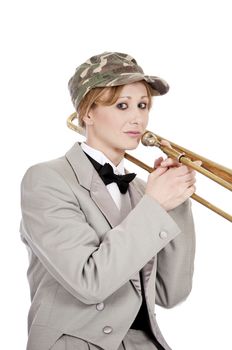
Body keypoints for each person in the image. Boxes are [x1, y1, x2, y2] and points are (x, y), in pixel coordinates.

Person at [20, 52, 197, 350]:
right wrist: (155, 206)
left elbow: (171, 293)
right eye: (122, 105)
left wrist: (176, 203)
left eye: (142, 105)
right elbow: (90, 282)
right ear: (87, 113)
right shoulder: (46, 179)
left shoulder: (143, 190)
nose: (137, 117)